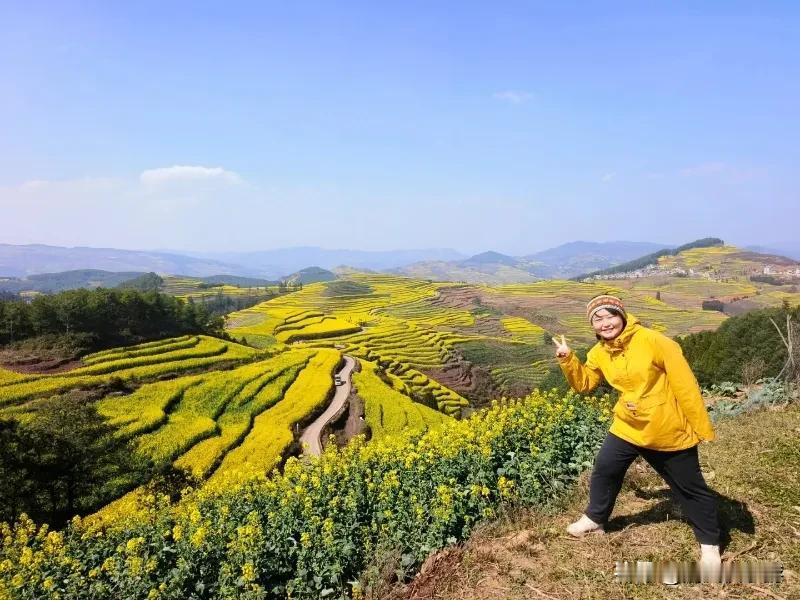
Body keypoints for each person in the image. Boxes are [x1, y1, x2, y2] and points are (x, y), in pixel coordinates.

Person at [552, 293, 722, 573]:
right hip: (628, 424)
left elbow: (685, 385)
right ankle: (595, 519)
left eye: (610, 315)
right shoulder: (599, 352)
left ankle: (710, 545)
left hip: (665, 425)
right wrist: (568, 359)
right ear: (592, 325)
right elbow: (585, 384)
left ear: (622, 315)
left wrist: (701, 426)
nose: (605, 323)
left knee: (689, 487)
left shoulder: (654, 341)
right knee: (605, 468)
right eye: (598, 319)